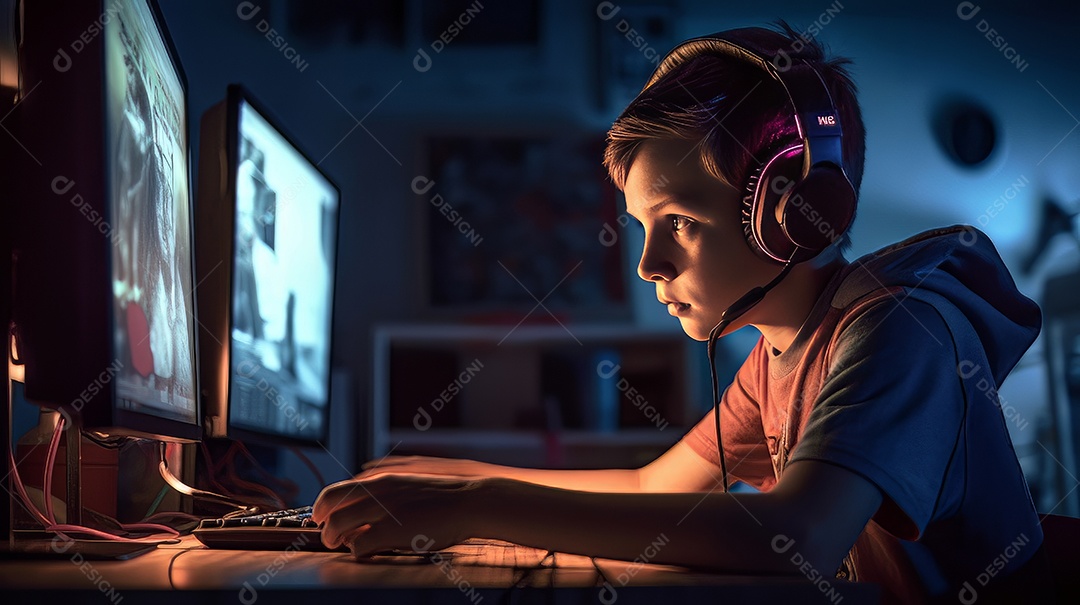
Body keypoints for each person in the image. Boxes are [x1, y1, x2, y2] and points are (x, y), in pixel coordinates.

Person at [313, 22, 1053, 603]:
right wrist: (457, 479)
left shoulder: (899, 330)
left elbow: (797, 533)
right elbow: (651, 487)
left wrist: (480, 505)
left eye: (679, 223)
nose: (648, 265)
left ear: (796, 210)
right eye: (643, 227)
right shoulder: (779, 351)